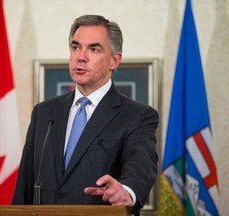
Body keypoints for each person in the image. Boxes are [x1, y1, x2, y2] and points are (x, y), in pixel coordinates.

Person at [12, 14, 159, 215]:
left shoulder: (137, 116)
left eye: (94, 49)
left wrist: (126, 192)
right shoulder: (44, 113)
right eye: (75, 47)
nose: (81, 56)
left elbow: (141, 166)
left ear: (114, 61)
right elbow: (25, 184)